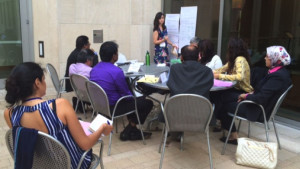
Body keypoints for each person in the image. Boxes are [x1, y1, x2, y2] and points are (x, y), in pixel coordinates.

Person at [4, 62, 113, 169]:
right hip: (71, 164)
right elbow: (85, 144)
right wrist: (102, 128)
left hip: (40, 165)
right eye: (44, 79)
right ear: (37, 83)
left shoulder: (9, 114)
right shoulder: (59, 106)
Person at [218, 46, 292, 145]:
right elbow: (264, 93)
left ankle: (233, 136)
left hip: (257, 110)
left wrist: (246, 96)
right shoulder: (280, 72)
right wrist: (249, 94)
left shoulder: (277, 77)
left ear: (274, 59)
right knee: (225, 96)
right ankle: (229, 130)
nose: (265, 58)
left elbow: (260, 98)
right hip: (257, 104)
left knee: (222, 104)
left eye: (267, 56)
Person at [90, 41, 153, 141]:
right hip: (114, 107)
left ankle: (131, 129)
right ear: (114, 56)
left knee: (134, 101)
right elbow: (126, 94)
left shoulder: (94, 69)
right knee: (146, 103)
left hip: (99, 105)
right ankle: (131, 127)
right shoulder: (116, 71)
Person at [210, 37, 253, 132]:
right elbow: (220, 70)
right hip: (235, 88)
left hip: (243, 91)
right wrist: (210, 72)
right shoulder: (233, 60)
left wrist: (219, 76)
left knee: (220, 99)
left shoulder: (240, 59)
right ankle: (220, 122)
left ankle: (220, 123)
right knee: (215, 96)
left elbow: (239, 77)